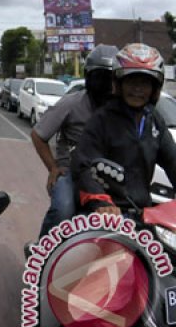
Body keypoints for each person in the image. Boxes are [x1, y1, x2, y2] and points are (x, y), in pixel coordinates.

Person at [74, 43, 176, 214]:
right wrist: (100, 201)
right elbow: (83, 165)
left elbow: (173, 161)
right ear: (119, 84)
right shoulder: (101, 119)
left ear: (154, 88)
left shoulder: (154, 120)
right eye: (131, 82)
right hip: (103, 214)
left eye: (144, 83)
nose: (137, 89)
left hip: (142, 213)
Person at [31, 44, 117, 235]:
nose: (107, 85)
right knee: (63, 209)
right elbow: (38, 134)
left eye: (112, 79)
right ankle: (43, 251)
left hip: (109, 175)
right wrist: (53, 167)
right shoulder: (72, 102)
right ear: (89, 77)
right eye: (100, 78)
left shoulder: (122, 110)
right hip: (70, 172)